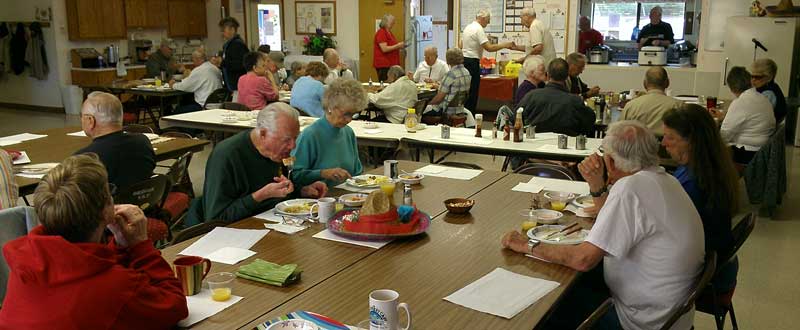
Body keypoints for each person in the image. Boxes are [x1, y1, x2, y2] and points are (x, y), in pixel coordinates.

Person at [502, 120, 705, 330]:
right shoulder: (665, 180)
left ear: (611, 162)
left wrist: (527, 245)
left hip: (638, 321)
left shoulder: (630, 188)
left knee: (545, 307)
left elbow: (583, 260)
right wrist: (596, 185)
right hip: (670, 315)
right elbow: (617, 221)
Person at [0, 154, 188, 328]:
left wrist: (121, 245)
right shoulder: (115, 287)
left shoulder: (26, 262)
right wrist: (140, 246)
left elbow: (90, 265)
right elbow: (174, 306)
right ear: (107, 210)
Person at [185, 103, 328, 225]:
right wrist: (260, 196)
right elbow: (216, 219)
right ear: (263, 133)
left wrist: (301, 190)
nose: (293, 146)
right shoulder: (227, 156)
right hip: (237, 233)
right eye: (286, 140)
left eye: (295, 138)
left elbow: (280, 189)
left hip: (274, 224)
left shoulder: (277, 153)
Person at [662, 104, 741, 291]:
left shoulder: (693, 183)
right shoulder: (709, 164)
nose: (663, 142)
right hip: (719, 263)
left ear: (691, 141)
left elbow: (667, 230)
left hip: (704, 275)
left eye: (670, 137)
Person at [291, 79, 366, 187]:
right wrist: (323, 173)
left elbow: (357, 172)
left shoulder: (348, 132)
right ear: (330, 107)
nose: (349, 119)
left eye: (353, 114)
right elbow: (294, 175)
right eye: (346, 114)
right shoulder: (310, 135)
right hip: (319, 199)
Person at [75, 92, 155, 190]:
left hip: (110, 205)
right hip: (144, 202)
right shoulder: (143, 142)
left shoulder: (84, 158)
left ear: (91, 121)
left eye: (81, 115)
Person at [713, 66, 776, 164]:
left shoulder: (740, 102)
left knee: (707, 149)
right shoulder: (762, 98)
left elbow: (725, 135)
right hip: (762, 149)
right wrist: (725, 117)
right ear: (749, 81)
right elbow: (749, 119)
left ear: (732, 88)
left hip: (748, 153)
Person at [518, 58, 595, 136]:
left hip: (535, 144)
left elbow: (516, 118)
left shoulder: (531, 96)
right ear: (566, 77)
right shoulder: (575, 101)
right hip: (566, 144)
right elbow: (590, 121)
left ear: (547, 75)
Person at [461, 8, 515, 114]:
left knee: (466, 91)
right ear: (482, 18)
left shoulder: (468, 27)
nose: (489, 22)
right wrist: (506, 45)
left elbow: (460, 43)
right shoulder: (478, 29)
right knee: (473, 92)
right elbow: (489, 48)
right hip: (472, 62)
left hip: (465, 60)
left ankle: (465, 114)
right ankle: (470, 117)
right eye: (488, 19)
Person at [620, 66, 683, 136]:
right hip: (667, 146)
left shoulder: (630, 106)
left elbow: (619, 132)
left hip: (638, 146)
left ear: (644, 84)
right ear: (667, 83)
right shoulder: (680, 106)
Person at [424, 48, 478, 128]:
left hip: (446, 111)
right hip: (459, 108)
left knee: (422, 113)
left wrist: (427, 104)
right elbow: (456, 90)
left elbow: (439, 98)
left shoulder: (450, 74)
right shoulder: (467, 72)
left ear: (448, 60)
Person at [170, 49, 223, 113]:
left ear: (197, 59)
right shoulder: (214, 68)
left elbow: (186, 86)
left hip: (204, 105)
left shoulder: (199, 70)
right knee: (186, 100)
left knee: (177, 110)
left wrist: (173, 85)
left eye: (193, 59)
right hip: (218, 103)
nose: (193, 62)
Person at [513, 7, 556, 73]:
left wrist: (525, 59)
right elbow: (533, 47)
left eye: (521, 18)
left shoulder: (534, 26)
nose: (521, 22)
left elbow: (538, 48)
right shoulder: (539, 23)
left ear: (526, 16)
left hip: (543, 68)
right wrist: (515, 47)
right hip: (549, 66)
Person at [219, 17, 250, 99]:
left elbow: (239, 65)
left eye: (223, 30)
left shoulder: (237, 45)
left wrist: (222, 62)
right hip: (232, 85)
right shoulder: (228, 45)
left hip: (238, 85)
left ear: (232, 29)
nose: (222, 33)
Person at [750, 58, 787, 124]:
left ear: (769, 77)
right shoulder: (771, 86)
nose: (753, 80)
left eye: (757, 77)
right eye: (752, 76)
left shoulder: (768, 94)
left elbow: (756, 117)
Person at [373, 14, 405, 82]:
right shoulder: (381, 32)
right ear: (386, 22)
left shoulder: (389, 32)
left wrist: (399, 48)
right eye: (391, 21)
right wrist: (398, 45)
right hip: (384, 64)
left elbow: (392, 46)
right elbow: (384, 49)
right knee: (386, 83)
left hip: (391, 63)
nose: (393, 22)